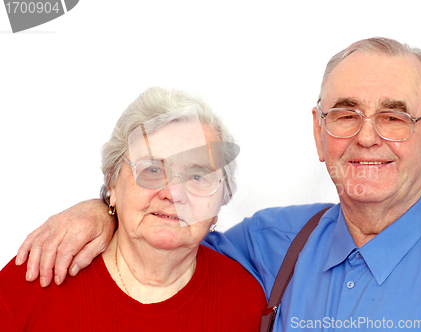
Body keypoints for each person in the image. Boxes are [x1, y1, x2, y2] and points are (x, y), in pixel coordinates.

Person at [14, 38, 421, 331]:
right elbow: (167, 235)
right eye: (345, 114)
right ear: (318, 131)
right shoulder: (270, 245)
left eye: (394, 117)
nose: (366, 136)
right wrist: (105, 206)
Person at [0, 87, 266, 331]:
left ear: (221, 198)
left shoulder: (246, 302)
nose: (173, 194)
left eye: (197, 176)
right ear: (112, 184)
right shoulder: (35, 277)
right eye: (152, 169)